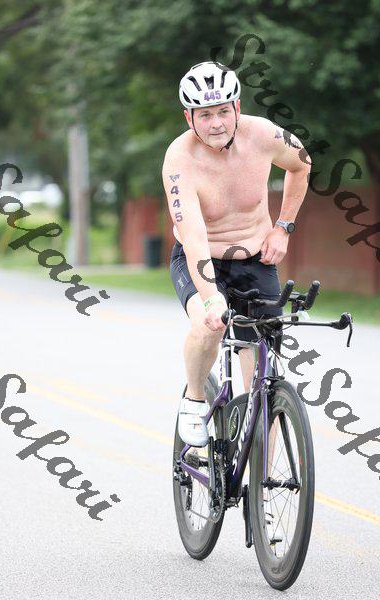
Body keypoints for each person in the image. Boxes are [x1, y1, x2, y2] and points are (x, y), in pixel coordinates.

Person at [162, 61, 310, 447]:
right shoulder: (179, 159)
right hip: (201, 258)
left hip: (255, 260)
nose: (216, 123)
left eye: (223, 111)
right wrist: (211, 298)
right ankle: (195, 400)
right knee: (207, 325)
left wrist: (283, 226)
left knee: (264, 380)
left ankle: (264, 476)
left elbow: (302, 164)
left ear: (238, 108)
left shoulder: (264, 134)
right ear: (189, 118)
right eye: (205, 115)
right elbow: (193, 236)